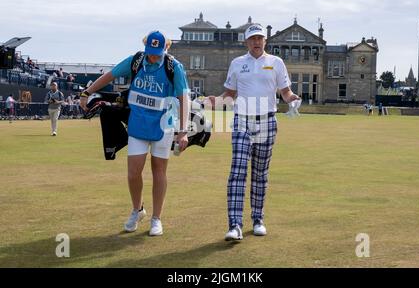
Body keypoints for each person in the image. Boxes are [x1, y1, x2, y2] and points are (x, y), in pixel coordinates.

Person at [80, 31, 190, 236]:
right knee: (133, 172)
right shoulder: (136, 61)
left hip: (163, 125)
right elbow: (110, 75)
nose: (153, 56)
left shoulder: (174, 67)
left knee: (159, 171)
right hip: (138, 123)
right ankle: (137, 210)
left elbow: (184, 97)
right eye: (150, 51)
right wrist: (87, 92)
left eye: (158, 52)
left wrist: (183, 131)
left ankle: (156, 218)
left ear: (166, 48)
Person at [205, 24, 300, 241]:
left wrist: (292, 99)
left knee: (260, 173)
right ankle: (235, 225)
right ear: (246, 42)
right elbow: (229, 94)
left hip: (267, 120)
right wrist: (215, 101)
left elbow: (285, 92)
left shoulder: (276, 63)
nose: (256, 42)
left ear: (265, 41)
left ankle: (258, 219)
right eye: (252, 39)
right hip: (242, 121)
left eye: (260, 38)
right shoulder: (237, 64)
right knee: (238, 170)